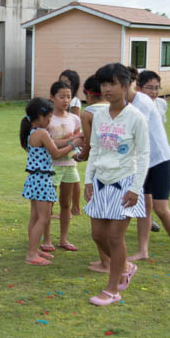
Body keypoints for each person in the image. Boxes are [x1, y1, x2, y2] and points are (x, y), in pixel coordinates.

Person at [83, 63, 149, 306]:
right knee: (98, 235)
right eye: (104, 84)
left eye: (112, 84)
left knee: (114, 238)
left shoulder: (136, 118)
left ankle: (112, 289)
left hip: (126, 182)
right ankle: (126, 266)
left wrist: (135, 188)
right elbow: (96, 149)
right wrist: (89, 179)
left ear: (125, 85)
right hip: (101, 181)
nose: (107, 89)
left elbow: (143, 155)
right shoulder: (98, 115)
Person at [125, 67, 170, 265]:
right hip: (142, 161)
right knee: (144, 205)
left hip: (160, 159)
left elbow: (132, 130)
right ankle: (143, 250)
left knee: (161, 208)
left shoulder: (142, 102)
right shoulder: (128, 103)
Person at [20, 98, 83, 266]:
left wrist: (71, 140)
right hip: (42, 179)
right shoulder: (42, 132)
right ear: (40, 117)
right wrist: (74, 144)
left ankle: (33, 249)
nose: (50, 120)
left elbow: (54, 144)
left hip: (35, 178)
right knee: (43, 218)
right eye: (48, 117)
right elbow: (56, 153)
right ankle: (31, 254)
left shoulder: (34, 132)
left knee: (35, 217)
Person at [42, 80, 82, 253]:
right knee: (48, 205)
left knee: (66, 204)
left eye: (69, 96)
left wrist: (77, 144)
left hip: (70, 165)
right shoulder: (48, 119)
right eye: (61, 96)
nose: (66, 100)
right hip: (52, 166)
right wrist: (70, 141)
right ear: (52, 97)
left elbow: (80, 138)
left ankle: (64, 239)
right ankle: (47, 239)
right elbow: (47, 142)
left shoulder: (75, 119)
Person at [77, 75, 111, 274]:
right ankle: (106, 261)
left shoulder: (88, 113)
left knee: (98, 217)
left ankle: (108, 263)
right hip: (117, 167)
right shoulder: (114, 109)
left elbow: (89, 145)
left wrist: (79, 157)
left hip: (99, 168)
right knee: (107, 218)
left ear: (88, 93)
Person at [60, 69, 83, 215]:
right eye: (61, 80)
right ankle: (73, 207)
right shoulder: (61, 97)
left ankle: (75, 207)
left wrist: (72, 139)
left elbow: (75, 121)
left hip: (71, 140)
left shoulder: (74, 101)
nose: (63, 83)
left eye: (67, 82)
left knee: (72, 176)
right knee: (71, 175)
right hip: (65, 140)